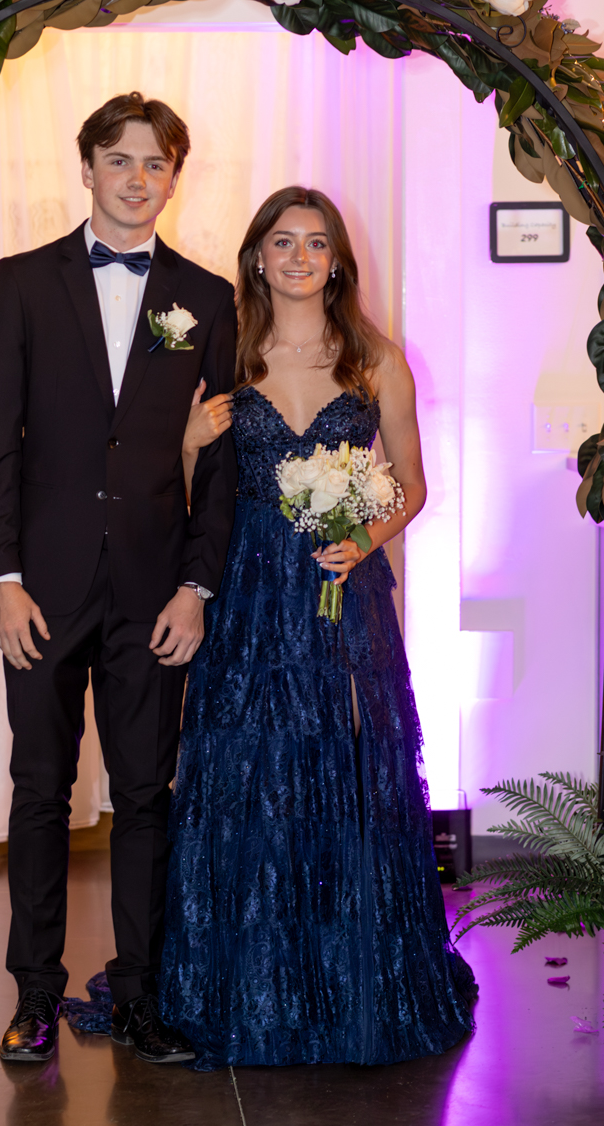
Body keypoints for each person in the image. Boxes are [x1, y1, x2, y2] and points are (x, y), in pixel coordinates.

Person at [160, 185, 476, 1069]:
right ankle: (250, 977)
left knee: (346, 760)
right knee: (246, 763)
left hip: (342, 588)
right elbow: (185, 486)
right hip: (247, 587)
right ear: (257, 255)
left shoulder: (376, 358)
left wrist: (362, 535)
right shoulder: (224, 353)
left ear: (337, 259)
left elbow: (410, 484)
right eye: (282, 242)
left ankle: (351, 978)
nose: (300, 257)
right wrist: (187, 442)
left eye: (316, 243)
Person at [0, 92, 237, 1064]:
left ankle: (137, 998)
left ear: (174, 175)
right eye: (118, 160)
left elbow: (219, 467)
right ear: (85, 167)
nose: (136, 179)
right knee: (38, 790)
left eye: (155, 163)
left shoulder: (205, 299)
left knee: (145, 796)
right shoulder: (25, 282)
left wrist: (194, 588)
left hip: (152, 591)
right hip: (39, 589)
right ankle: (34, 997)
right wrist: (1, 578)